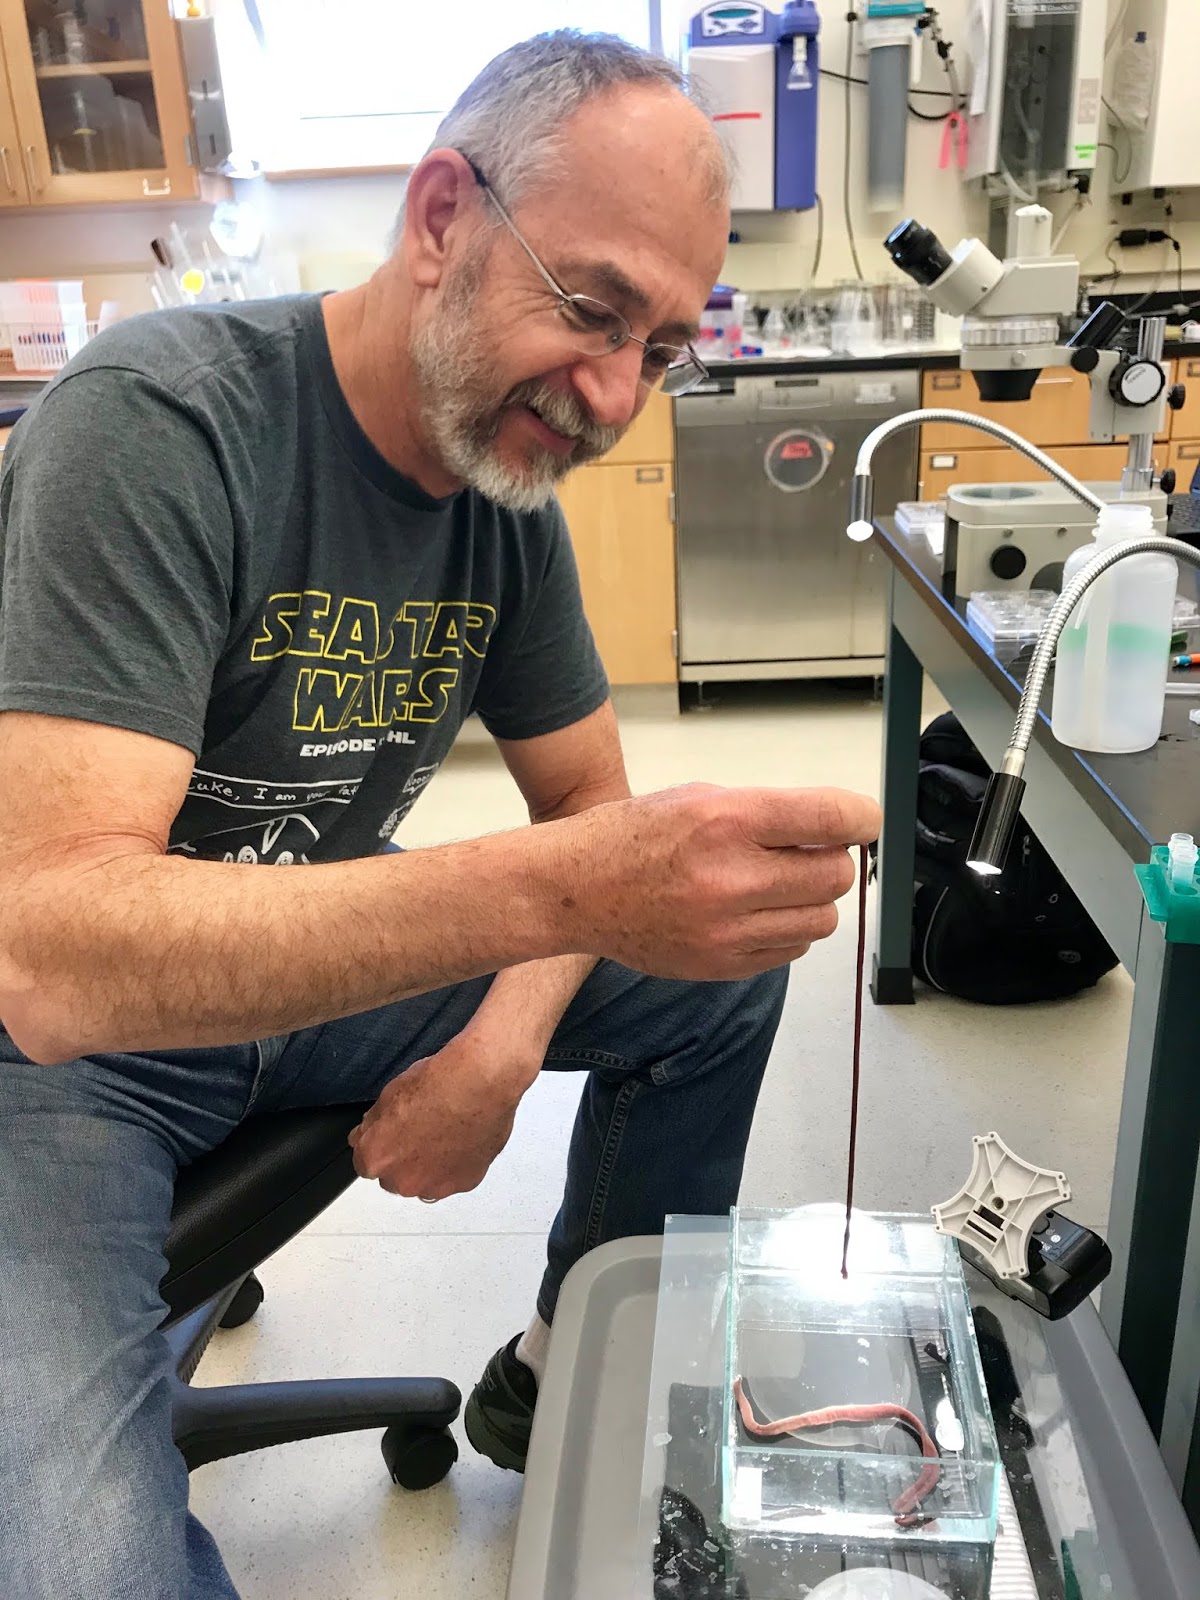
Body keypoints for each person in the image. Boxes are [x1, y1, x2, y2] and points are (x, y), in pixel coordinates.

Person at [0, 30, 880, 1600]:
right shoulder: (156, 425)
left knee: (719, 967)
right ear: (439, 218)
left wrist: (502, 1047)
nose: (612, 397)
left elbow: (585, 805)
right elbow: (58, 960)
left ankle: (562, 1365)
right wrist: (560, 897)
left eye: (662, 348)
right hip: (64, 1055)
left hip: (306, 982)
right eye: (591, 310)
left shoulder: (500, 487)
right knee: (78, 1566)